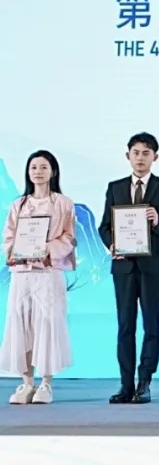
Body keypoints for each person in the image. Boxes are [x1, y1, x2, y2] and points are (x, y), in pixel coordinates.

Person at [98, 132, 159, 405]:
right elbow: (104, 226)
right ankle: (126, 385)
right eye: (136, 152)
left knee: (151, 324)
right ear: (128, 156)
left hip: (153, 266)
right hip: (123, 266)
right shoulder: (115, 187)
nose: (140, 158)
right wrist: (112, 245)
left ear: (155, 157)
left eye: (146, 153)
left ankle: (144, 382)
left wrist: (158, 221)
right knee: (125, 326)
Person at [0, 150, 76, 404]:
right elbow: (8, 237)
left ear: (53, 171)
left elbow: (69, 237)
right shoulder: (19, 205)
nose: (38, 171)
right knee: (21, 322)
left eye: (43, 167)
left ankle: (46, 383)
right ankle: (26, 383)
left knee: (48, 322)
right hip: (22, 274)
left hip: (48, 272)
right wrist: (16, 251)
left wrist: (46, 249)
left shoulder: (63, 203)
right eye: (33, 167)